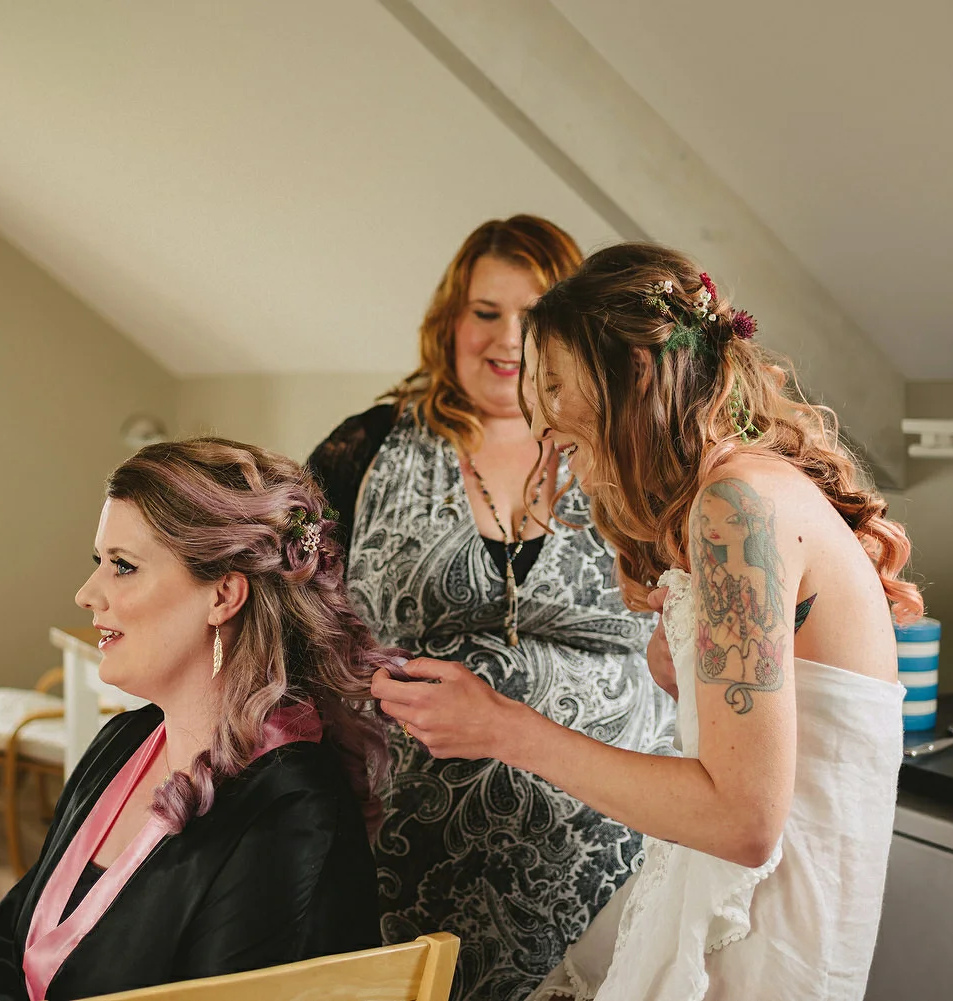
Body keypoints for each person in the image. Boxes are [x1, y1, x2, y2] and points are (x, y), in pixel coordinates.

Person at [373, 243, 923, 1001]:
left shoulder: (738, 508)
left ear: (631, 373)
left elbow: (742, 818)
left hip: (762, 941)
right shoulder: (733, 495)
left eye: (558, 381)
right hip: (716, 901)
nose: (542, 416)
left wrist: (504, 727)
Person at [307, 217, 676, 1001]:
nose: (510, 339)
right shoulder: (368, 448)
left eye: (534, 313)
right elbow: (288, 613)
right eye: (486, 311)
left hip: (610, 853)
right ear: (450, 320)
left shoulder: (632, 456)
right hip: (407, 853)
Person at [0, 439, 397, 1001]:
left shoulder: (292, 814)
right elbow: (4, 938)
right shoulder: (124, 740)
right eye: (100, 563)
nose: (87, 594)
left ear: (223, 596)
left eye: (123, 567)